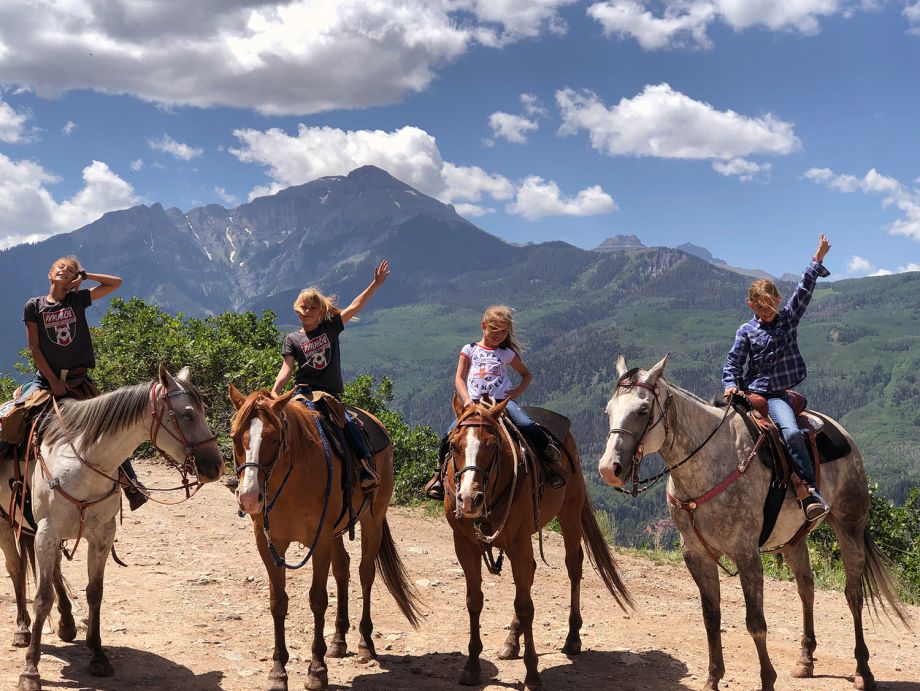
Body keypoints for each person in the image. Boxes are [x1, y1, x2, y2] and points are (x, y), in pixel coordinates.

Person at [11, 256, 147, 510]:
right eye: (61, 267)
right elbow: (35, 348)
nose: (65, 270)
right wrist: (52, 381)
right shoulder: (34, 305)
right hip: (46, 381)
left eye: (71, 270)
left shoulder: (77, 299)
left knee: (105, 427)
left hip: (78, 380)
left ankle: (132, 484)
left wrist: (85, 276)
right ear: (50, 274)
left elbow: (115, 283)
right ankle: (18, 484)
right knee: (16, 418)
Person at [722, 234, 832, 521]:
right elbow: (733, 362)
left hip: (775, 397)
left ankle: (808, 489)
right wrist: (731, 384)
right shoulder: (745, 331)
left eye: (770, 306)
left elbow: (804, 290)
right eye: (760, 308)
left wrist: (817, 259)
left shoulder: (788, 319)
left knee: (792, 432)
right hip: (749, 394)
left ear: (777, 301)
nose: (766, 312)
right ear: (750, 306)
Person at [270, 261, 390, 492]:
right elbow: (287, 368)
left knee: (346, 423)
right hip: (301, 392)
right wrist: (276, 390)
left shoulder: (331, 328)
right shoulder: (292, 339)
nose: (307, 311)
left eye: (312, 308)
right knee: (276, 425)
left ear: (321, 311)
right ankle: (263, 473)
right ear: (296, 309)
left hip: (327, 394)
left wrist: (375, 284)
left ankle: (364, 464)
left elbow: (355, 306)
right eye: (303, 307)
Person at [425, 304, 565, 501]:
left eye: (503, 331)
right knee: (450, 436)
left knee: (526, 424)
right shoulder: (469, 349)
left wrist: (515, 392)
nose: (499, 335)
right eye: (494, 330)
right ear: (484, 326)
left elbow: (526, 375)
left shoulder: (506, 354)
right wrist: (466, 399)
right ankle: (439, 475)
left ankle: (550, 462)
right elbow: (459, 378)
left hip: (501, 403)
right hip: (474, 404)